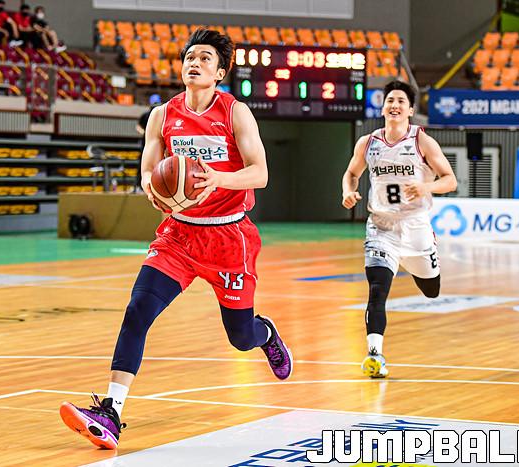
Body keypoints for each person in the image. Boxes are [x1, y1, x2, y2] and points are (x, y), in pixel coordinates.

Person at [59, 28, 293, 449]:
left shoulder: (236, 112)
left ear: (220, 72)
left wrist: (219, 178)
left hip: (229, 236)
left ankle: (266, 334)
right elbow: (148, 169)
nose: (194, 63)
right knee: (138, 311)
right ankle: (110, 411)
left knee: (241, 337)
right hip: (179, 235)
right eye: (190, 57)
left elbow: (260, 173)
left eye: (205, 58)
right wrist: (152, 187)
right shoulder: (162, 115)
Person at [341, 80, 457, 379]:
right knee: (377, 290)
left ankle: (417, 259)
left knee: (431, 291)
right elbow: (351, 173)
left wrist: (426, 187)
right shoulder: (367, 143)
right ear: (383, 108)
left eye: (401, 101)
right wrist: (348, 191)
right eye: (390, 100)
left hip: (416, 227)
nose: (394, 105)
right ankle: (374, 355)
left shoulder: (422, 141)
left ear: (410, 110)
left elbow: (450, 180)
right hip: (382, 226)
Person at [134, 94, 162, 191]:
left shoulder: (161, 114)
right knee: (142, 165)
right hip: (145, 144)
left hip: (158, 144)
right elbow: (138, 126)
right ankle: (139, 186)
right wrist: (145, 132)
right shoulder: (146, 115)